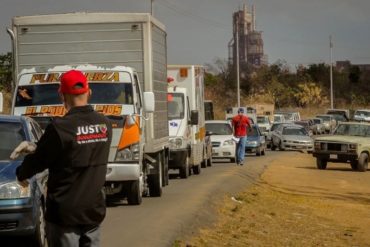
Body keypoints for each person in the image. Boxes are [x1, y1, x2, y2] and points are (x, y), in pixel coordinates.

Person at [15, 70, 112, 247]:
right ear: (89, 92)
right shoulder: (104, 124)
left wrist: (21, 173)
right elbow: (78, 150)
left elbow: (39, 160)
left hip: (65, 213)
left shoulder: (60, 127)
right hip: (93, 211)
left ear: (61, 95)